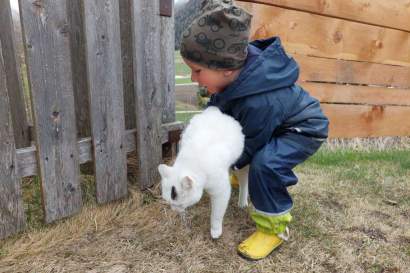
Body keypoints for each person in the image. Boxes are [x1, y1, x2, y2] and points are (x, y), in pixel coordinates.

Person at [179, 0, 329, 260]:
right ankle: (241, 175)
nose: (193, 79)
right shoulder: (234, 81)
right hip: (276, 122)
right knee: (244, 152)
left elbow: (250, 142)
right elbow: (219, 114)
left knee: (265, 163)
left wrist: (222, 163)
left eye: (197, 71)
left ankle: (273, 229)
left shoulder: (260, 100)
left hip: (303, 129)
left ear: (226, 69)